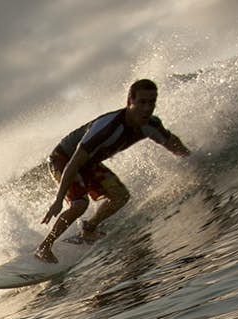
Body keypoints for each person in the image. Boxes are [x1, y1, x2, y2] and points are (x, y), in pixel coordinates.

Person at [36, 79, 190, 262]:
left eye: (151, 102)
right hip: (63, 159)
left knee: (120, 196)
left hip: (89, 163)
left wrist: (195, 159)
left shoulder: (151, 125)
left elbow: (174, 145)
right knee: (79, 204)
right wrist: (59, 199)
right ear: (129, 102)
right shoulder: (107, 127)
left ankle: (89, 228)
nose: (147, 108)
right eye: (141, 102)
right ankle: (44, 247)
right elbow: (73, 164)